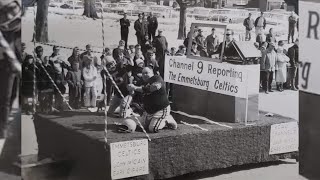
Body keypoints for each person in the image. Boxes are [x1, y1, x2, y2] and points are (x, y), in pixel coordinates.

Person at [127, 67, 178, 133]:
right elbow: (133, 93)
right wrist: (131, 88)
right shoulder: (142, 81)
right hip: (149, 111)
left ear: (152, 73)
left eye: (146, 73)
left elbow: (154, 87)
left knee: (152, 129)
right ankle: (156, 120)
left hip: (160, 109)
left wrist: (135, 88)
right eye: (143, 73)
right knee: (141, 126)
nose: (144, 75)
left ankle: (167, 120)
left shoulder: (157, 78)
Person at [49, 46, 69, 111]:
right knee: (57, 91)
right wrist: (55, 61)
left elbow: (67, 66)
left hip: (61, 75)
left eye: (58, 50)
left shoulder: (61, 57)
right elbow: (51, 66)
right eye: (55, 50)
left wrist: (62, 62)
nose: (57, 51)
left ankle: (61, 105)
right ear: (53, 50)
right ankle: (57, 105)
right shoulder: (51, 58)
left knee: (62, 89)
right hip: (55, 75)